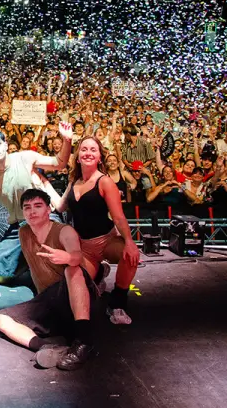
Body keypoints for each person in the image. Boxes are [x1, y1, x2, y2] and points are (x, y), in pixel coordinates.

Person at [0, 189, 97, 370]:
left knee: (73, 271)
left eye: (38, 206)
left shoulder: (64, 231)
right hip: (50, 301)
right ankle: (49, 347)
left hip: (73, 294)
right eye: (27, 207)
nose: (32, 211)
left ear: (48, 210)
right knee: (0, 319)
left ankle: (84, 342)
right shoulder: (24, 232)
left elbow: (77, 257)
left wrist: (67, 258)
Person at [58, 136, 140, 325]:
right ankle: (100, 273)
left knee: (131, 257)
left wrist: (129, 242)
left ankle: (118, 303)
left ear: (100, 157)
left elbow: (118, 217)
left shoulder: (105, 182)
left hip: (106, 241)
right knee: (77, 292)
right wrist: (42, 182)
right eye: (84, 149)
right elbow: (60, 207)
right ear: (78, 157)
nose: (88, 153)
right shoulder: (73, 182)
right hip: (84, 248)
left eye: (93, 150)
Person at [0, 124, 73, 284]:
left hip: (43, 221)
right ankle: (30, 262)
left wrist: (67, 140)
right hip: (15, 230)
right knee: (1, 276)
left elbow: (58, 163)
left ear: (6, 145)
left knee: (53, 260)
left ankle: (50, 265)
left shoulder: (25, 157)